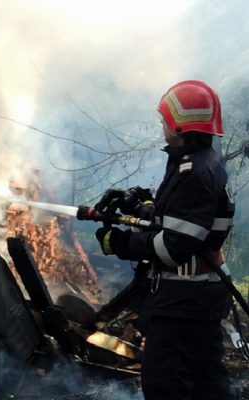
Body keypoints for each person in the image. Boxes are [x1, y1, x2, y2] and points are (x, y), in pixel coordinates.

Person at [94, 80, 235, 400]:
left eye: (164, 121)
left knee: (164, 384)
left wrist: (118, 243)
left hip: (184, 301)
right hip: (201, 295)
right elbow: (186, 221)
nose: (162, 126)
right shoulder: (201, 161)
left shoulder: (195, 173)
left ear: (180, 125)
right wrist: (142, 205)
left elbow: (172, 247)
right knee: (207, 383)